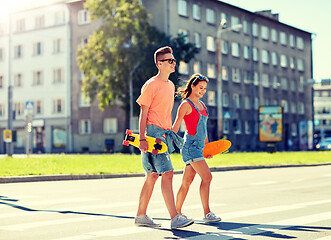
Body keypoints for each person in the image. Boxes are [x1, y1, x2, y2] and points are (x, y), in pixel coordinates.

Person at [135, 46, 194, 229]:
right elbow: (143, 113)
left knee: (152, 175)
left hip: (164, 133)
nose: (174, 63)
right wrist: (143, 138)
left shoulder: (170, 86)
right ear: (160, 64)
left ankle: (141, 215)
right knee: (167, 174)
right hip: (153, 134)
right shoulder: (151, 84)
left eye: (174, 60)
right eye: (170, 61)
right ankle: (175, 217)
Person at [172, 73, 222, 222]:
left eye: (205, 88)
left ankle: (176, 213)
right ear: (192, 86)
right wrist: (165, 139)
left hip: (199, 147)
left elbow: (204, 129)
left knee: (186, 182)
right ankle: (207, 213)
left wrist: (207, 148)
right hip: (190, 147)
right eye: (200, 87)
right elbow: (175, 127)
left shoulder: (202, 105)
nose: (203, 91)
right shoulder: (186, 105)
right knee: (207, 177)